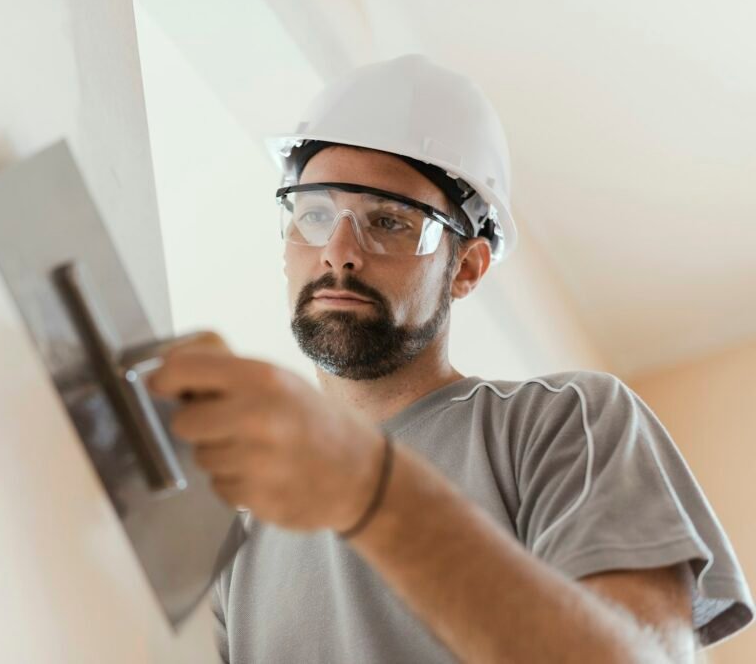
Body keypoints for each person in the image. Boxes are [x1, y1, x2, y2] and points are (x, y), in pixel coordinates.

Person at [145, 54, 753, 663]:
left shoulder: (567, 423)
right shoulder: (236, 540)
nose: (339, 252)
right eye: (315, 214)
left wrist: (365, 485)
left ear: (465, 268)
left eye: (388, 221)